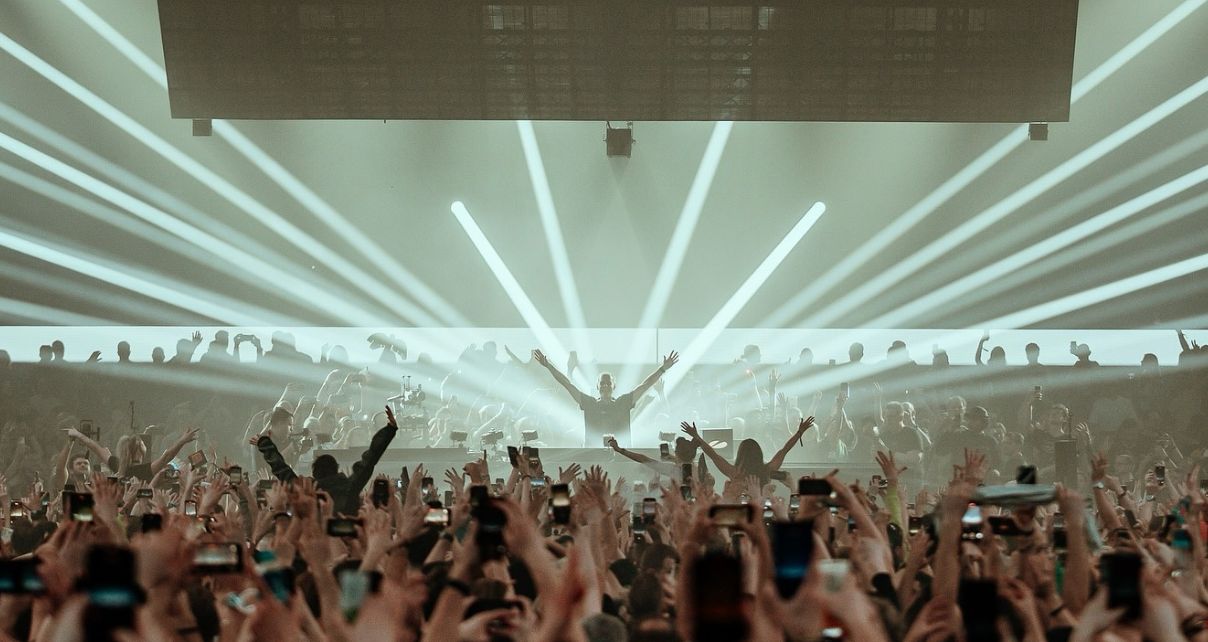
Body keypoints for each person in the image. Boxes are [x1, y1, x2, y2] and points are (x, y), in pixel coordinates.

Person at [253, 405, 399, 515]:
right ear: (336, 470)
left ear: (314, 473)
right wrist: (389, 430)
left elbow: (281, 468)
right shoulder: (351, 486)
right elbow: (371, 457)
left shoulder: (307, 492)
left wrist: (264, 443)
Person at [533, 348, 678, 447]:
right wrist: (548, 366)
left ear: (613, 385)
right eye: (602, 383)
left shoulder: (623, 402)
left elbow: (645, 385)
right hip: (593, 454)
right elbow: (567, 384)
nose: (605, 385)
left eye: (608, 383)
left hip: (622, 455)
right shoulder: (589, 403)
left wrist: (663, 369)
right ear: (597, 386)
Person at [679, 415, 814, 487]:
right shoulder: (767, 471)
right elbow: (784, 450)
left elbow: (714, 456)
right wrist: (799, 432)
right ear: (759, 454)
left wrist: (696, 437)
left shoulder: (735, 473)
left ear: (740, 454)